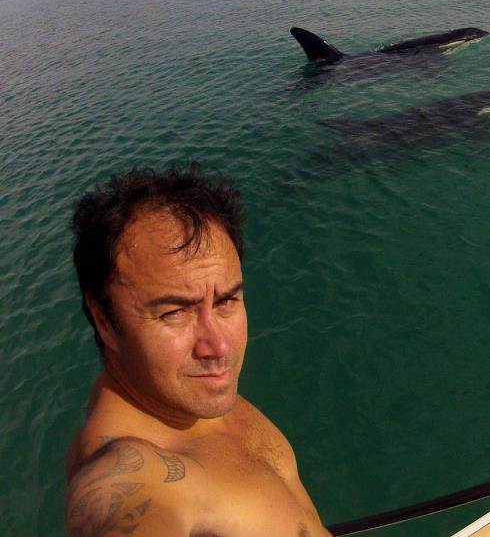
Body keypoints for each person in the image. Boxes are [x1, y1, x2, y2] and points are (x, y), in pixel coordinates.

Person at [65, 164, 330, 536]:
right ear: (104, 320)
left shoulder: (188, 401)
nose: (218, 345)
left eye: (226, 301)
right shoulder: (130, 471)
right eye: (175, 311)